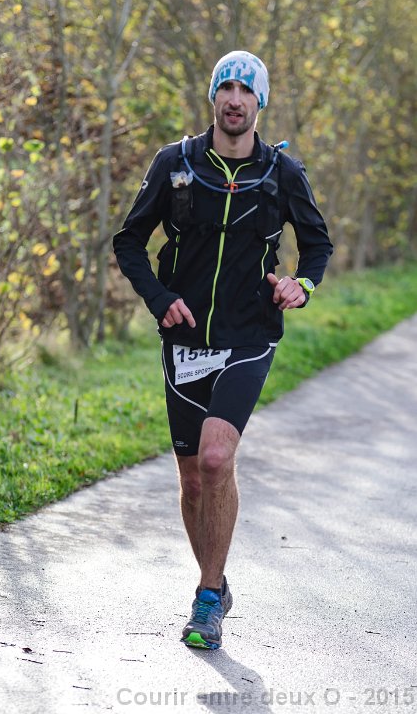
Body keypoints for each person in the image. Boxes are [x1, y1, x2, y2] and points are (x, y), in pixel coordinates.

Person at [113, 50, 333, 650]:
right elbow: (129, 241)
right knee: (192, 480)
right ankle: (216, 580)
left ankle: (207, 600)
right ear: (214, 96)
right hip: (184, 339)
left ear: (260, 102)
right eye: (226, 88)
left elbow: (317, 247)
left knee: (216, 459)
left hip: (249, 335)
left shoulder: (282, 173)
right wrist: (159, 298)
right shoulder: (176, 164)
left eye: (246, 90)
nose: (235, 99)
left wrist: (302, 285)